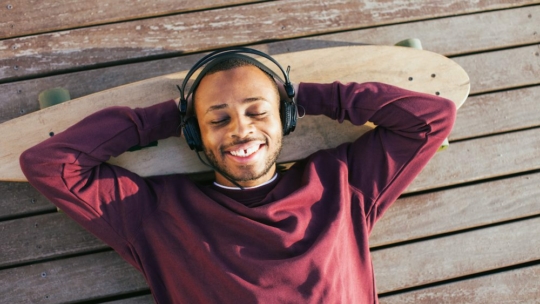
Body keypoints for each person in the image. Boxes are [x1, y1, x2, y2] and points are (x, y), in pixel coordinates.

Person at [20, 48, 456, 303]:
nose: (241, 129)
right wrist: (168, 119)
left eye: (257, 111)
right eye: (218, 119)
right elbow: (50, 162)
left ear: (284, 116)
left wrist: (301, 97)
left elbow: (431, 118)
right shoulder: (153, 213)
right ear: (193, 132)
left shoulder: (343, 182)